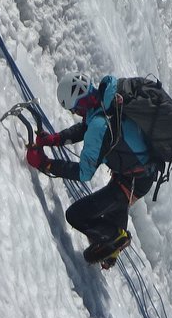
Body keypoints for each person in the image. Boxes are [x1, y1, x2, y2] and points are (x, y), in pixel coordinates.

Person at [23, 73, 161, 268]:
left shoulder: (98, 124)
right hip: (140, 172)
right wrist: (55, 139)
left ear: (79, 103)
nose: (77, 113)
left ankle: (116, 237)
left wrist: (45, 164)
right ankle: (112, 249)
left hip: (131, 181)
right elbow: (86, 127)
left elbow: (84, 173)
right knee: (114, 200)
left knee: (76, 215)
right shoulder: (106, 100)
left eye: (75, 109)